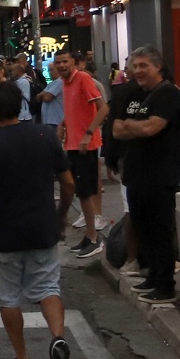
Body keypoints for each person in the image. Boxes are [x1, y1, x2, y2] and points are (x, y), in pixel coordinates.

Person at [0, 80, 75, 359]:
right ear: (22, 105)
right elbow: (68, 183)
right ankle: (57, 338)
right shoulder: (45, 135)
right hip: (43, 227)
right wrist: (62, 214)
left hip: (6, 232)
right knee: (48, 287)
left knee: (8, 295)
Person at [113, 47, 180, 304]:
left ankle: (165, 286)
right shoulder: (137, 95)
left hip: (159, 176)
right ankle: (153, 277)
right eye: (135, 66)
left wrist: (132, 125)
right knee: (144, 229)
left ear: (158, 67)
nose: (138, 71)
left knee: (160, 230)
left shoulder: (168, 94)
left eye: (144, 65)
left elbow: (152, 128)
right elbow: (117, 131)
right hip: (135, 175)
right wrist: (135, 127)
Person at [56, 49, 109, 258]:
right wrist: (63, 124)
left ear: (74, 63)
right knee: (80, 191)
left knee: (86, 192)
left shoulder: (83, 79)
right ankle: (89, 235)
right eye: (58, 62)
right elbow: (75, 110)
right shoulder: (65, 82)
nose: (61, 66)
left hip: (85, 146)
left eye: (65, 61)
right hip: (72, 145)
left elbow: (104, 109)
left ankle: (94, 239)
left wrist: (88, 133)